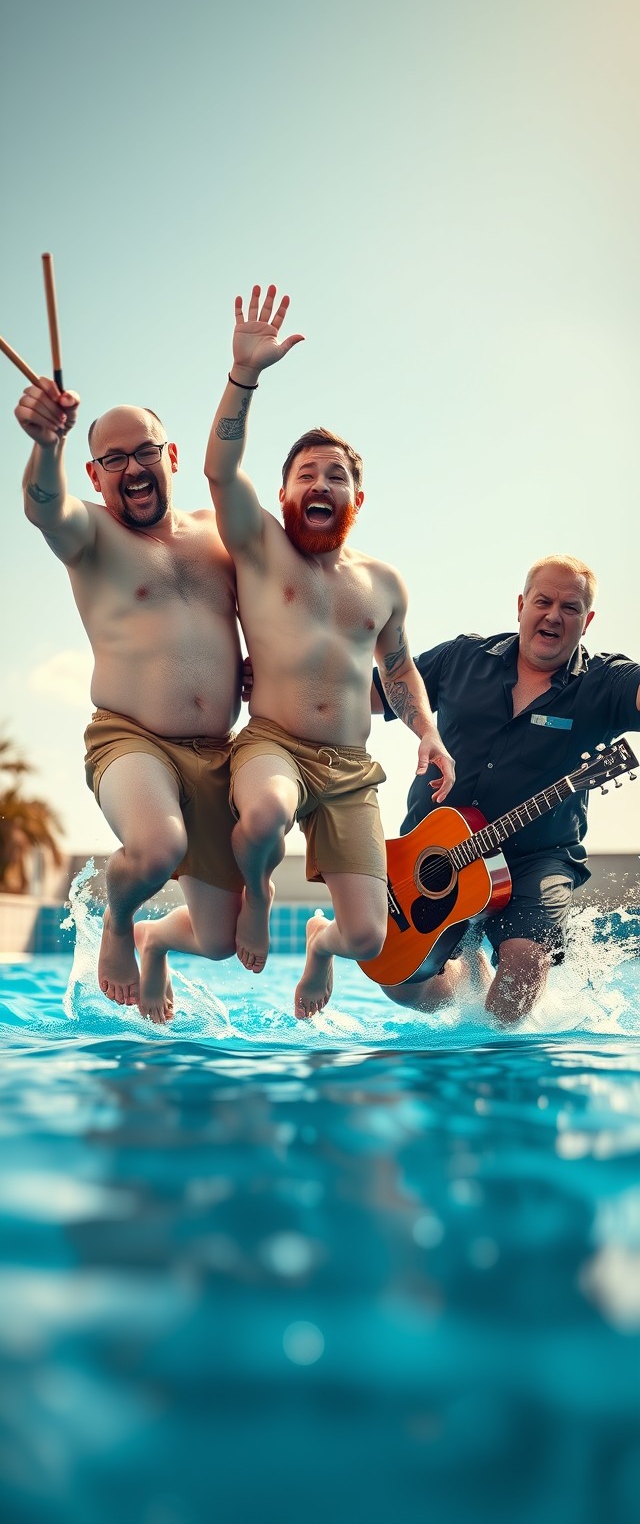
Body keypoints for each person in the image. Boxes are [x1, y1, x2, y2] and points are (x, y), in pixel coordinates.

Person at [204, 284, 455, 1019]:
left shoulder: (381, 583)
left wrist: (430, 734)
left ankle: (317, 943)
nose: (321, 483)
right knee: (264, 817)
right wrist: (243, 376)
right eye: (306, 474)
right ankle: (259, 891)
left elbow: (399, 668)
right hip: (274, 743)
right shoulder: (259, 546)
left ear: (357, 499)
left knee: (369, 933)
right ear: (282, 493)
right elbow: (220, 471)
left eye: (336, 475)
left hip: (350, 769)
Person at [16, 378, 244, 1025]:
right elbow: (43, 506)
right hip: (130, 738)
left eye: (144, 451)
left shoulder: (215, 538)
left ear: (171, 458)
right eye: (113, 459)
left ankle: (154, 940)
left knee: (222, 940)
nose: (132, 468)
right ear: (94, 473)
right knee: (156, 847)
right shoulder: (89, 534)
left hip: (216, 753)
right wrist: (45, 446)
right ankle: (120, 921)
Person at [373, 555, 640, 1022]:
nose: (554, 615)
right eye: (543, 601)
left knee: (522, 964)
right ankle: (467, 976)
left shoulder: (604, 683)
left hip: (537, 855)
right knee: (398, 981)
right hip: (435, 851)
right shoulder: (462, 659)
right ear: (521, 605)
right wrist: (286, 682)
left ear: (587, 620)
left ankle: (487, 1071)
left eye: (570, 607)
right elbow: (375, 693)